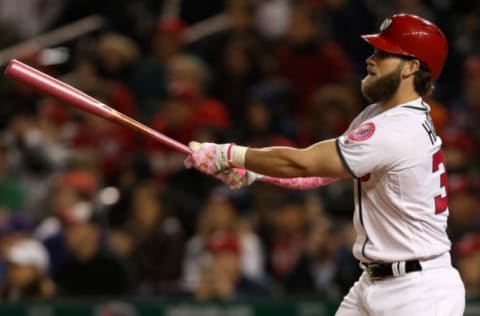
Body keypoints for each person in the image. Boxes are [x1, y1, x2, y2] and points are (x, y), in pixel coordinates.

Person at [184, 13, 466, 315]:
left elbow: (303, 164)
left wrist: (229, 154)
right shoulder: (380, 115)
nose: (371, 59)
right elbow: (319, 174)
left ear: (412, 67)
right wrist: (255, 173)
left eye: (384, 53)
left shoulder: (397, 129)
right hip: (377, 282)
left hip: (417, 293)